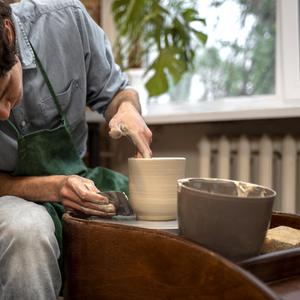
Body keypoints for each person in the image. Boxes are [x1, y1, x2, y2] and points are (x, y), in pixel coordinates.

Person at [0, 0, 152, 299]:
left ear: (8, 34)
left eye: (4, 91)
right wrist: (54, 187)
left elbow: (118, 91)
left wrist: (126, 109)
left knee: (168, 208)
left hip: (77, 174)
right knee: (26, 232)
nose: (3, 113)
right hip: (7, 193)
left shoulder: (65, 19)